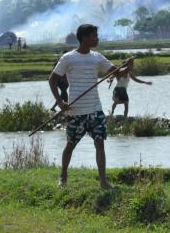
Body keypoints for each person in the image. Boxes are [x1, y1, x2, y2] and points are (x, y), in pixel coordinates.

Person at [49, 23, 122, 189]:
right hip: (76, 111)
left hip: (95, 109)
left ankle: (103, 181)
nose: (97, 39)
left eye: (97, 35)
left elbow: (116, 72)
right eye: (94, 36)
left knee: (100, 143)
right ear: (84, 38)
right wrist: (60, 102)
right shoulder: (68, 58)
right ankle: (63, 176)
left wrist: (126, 68)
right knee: (70, 144)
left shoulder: (97, 57)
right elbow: (52, 80)